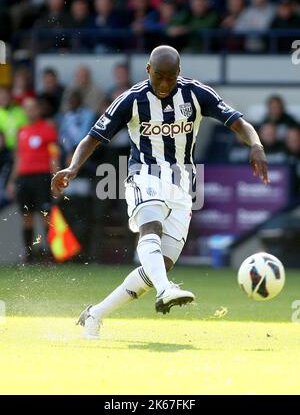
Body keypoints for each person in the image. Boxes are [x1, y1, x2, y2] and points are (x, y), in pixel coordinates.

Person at [51, 45, 269, 339]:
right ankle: (167, 289)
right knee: (150, 229)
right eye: (159, 78)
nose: (165, 85)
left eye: (170, 78)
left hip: (182, 186)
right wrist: (73, 167)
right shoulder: (131, 100)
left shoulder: (196, 94)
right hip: (144, 175)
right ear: (148, 71)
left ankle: (95, 313)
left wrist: (256, 145)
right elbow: (93, 138)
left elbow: (238, 123)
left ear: (179, 73)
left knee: (159, 266)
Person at [6, 97, 59, 262]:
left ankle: (49, 252)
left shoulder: (47, 128)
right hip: (24, 178)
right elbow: (18, 158)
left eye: (32, 107)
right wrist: (12, 181)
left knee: (45, 214)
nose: (29, 111)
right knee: (26, 216)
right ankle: (28, 253)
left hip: (42, 177)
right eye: (26, 108)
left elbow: (53, 156)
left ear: (38, 110)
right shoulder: (21, 131)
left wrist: (56, 178)